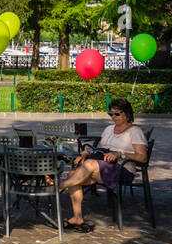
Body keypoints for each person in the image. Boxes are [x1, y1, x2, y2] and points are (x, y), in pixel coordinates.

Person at [60, 99, 149, 232]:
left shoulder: (135, 131)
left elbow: (142, 158)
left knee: (88, 165)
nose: (113, 117)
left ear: (127, 114)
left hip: (122, 170)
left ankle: (58, 187)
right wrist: (86, 153)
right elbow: (100, 150)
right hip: (102, 167)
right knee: (73, 174)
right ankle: (77, 217)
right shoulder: (108, 129)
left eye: (117, 114)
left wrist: (121, 154)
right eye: (110, 114)